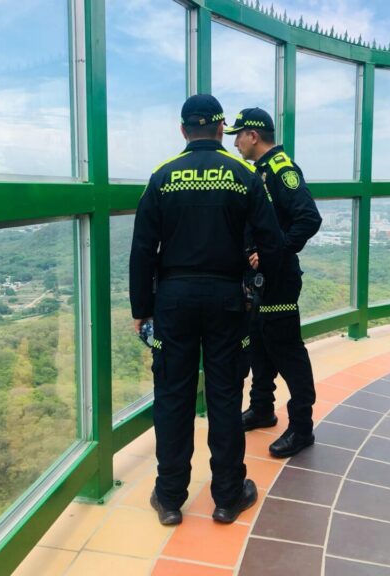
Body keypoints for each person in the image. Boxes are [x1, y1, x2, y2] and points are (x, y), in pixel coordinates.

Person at [130, 94, 284, 526]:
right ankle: (228, 496)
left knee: (172, 396)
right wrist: (259, 286)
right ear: (220, 130)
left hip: (173, 301)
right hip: (227, 301)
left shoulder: (161, 177)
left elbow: (143, 248)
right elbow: (270, 241)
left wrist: (142, 308)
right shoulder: (244, 175)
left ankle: (170, 497)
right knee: (224, 395)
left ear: (183, 131)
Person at [225, 108, 323, 458]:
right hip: (261, 277)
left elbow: (309, 218)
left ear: (253, 135)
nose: (235, 142)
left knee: (287, 350)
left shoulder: (282, 171)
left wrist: (273, 251)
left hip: (279, 278)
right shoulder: (261, 171)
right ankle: (263, 408)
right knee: (260, 344)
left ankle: (301, 428)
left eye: (238, 135)